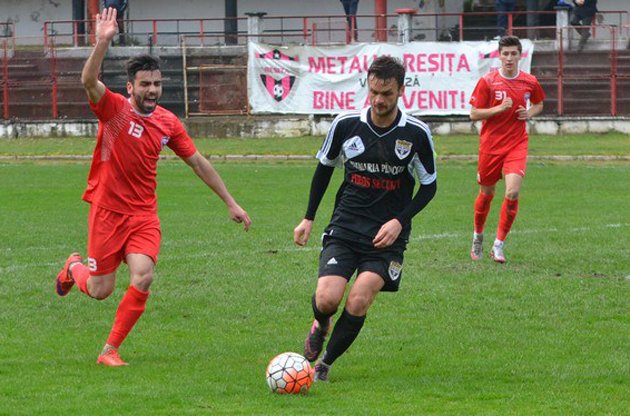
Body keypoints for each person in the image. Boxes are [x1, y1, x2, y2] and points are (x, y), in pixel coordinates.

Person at [55, 7, 251, 367]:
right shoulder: (113, 109)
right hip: (108, 211)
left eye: (157, 84)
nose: (153, 90)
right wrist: (101, 42)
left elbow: (197, 162)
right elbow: (87, 80)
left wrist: (230, 202)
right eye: (145, 84)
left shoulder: (167, 122)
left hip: (143, 215)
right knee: (101, 290)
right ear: (130, 87)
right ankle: (73, 269)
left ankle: (109, 350)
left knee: (143, 277)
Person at [293, 56, 437, 382]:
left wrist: (400, 220)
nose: (378, 100)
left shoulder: (416, 133)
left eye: (386, 93)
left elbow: (429, 187)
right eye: (373, 92)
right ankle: (321, 323)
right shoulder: (346, 124)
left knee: (359, 299)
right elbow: (324, 169)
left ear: (401, 90)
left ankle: (324, 364)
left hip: (387, 237)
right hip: (346, 225)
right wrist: (308, 218)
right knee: (327, 298)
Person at [469, 35, 545, 263]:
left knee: (512, 192)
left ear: (520, 55)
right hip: (490, 146)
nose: (509, 58)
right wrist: (498, 109)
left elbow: (539, 103)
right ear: (499, 56)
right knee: (487, 193)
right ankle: (478, 236)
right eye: (505, 54)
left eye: (513, 54)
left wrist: (529, 114)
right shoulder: (488, 81)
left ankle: (498, 245)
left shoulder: (530, 82)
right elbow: (474, 113)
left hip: (516, 144)